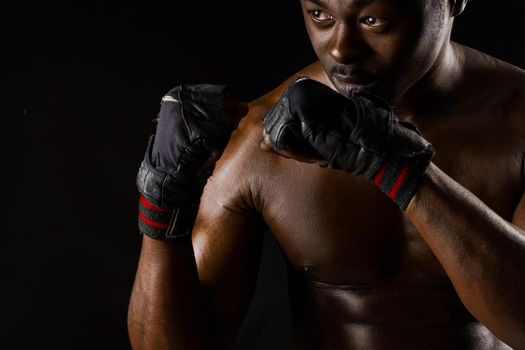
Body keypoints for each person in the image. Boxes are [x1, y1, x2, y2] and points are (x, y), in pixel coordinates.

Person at [127, 0, 525, 348]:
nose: (340, 49)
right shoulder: (259, 143)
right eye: (320, 15)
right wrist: (162, 204)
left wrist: (402, 169)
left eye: (374, 20)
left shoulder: (517, 122)